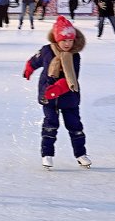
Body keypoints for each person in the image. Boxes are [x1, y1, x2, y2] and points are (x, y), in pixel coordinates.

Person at [24, 15, 89, 170]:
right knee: (50, 124)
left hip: (69, 97)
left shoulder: (74, 56)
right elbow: (35, 60)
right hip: (48, 96)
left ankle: (81, 154)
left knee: (75, 125)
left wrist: (58, 88)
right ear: (56, 39)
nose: (67, 44)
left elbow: (71, 78)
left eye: (70, 40)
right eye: (64, 40)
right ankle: (47, 154)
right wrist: (29, 68)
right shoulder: (47, 51)